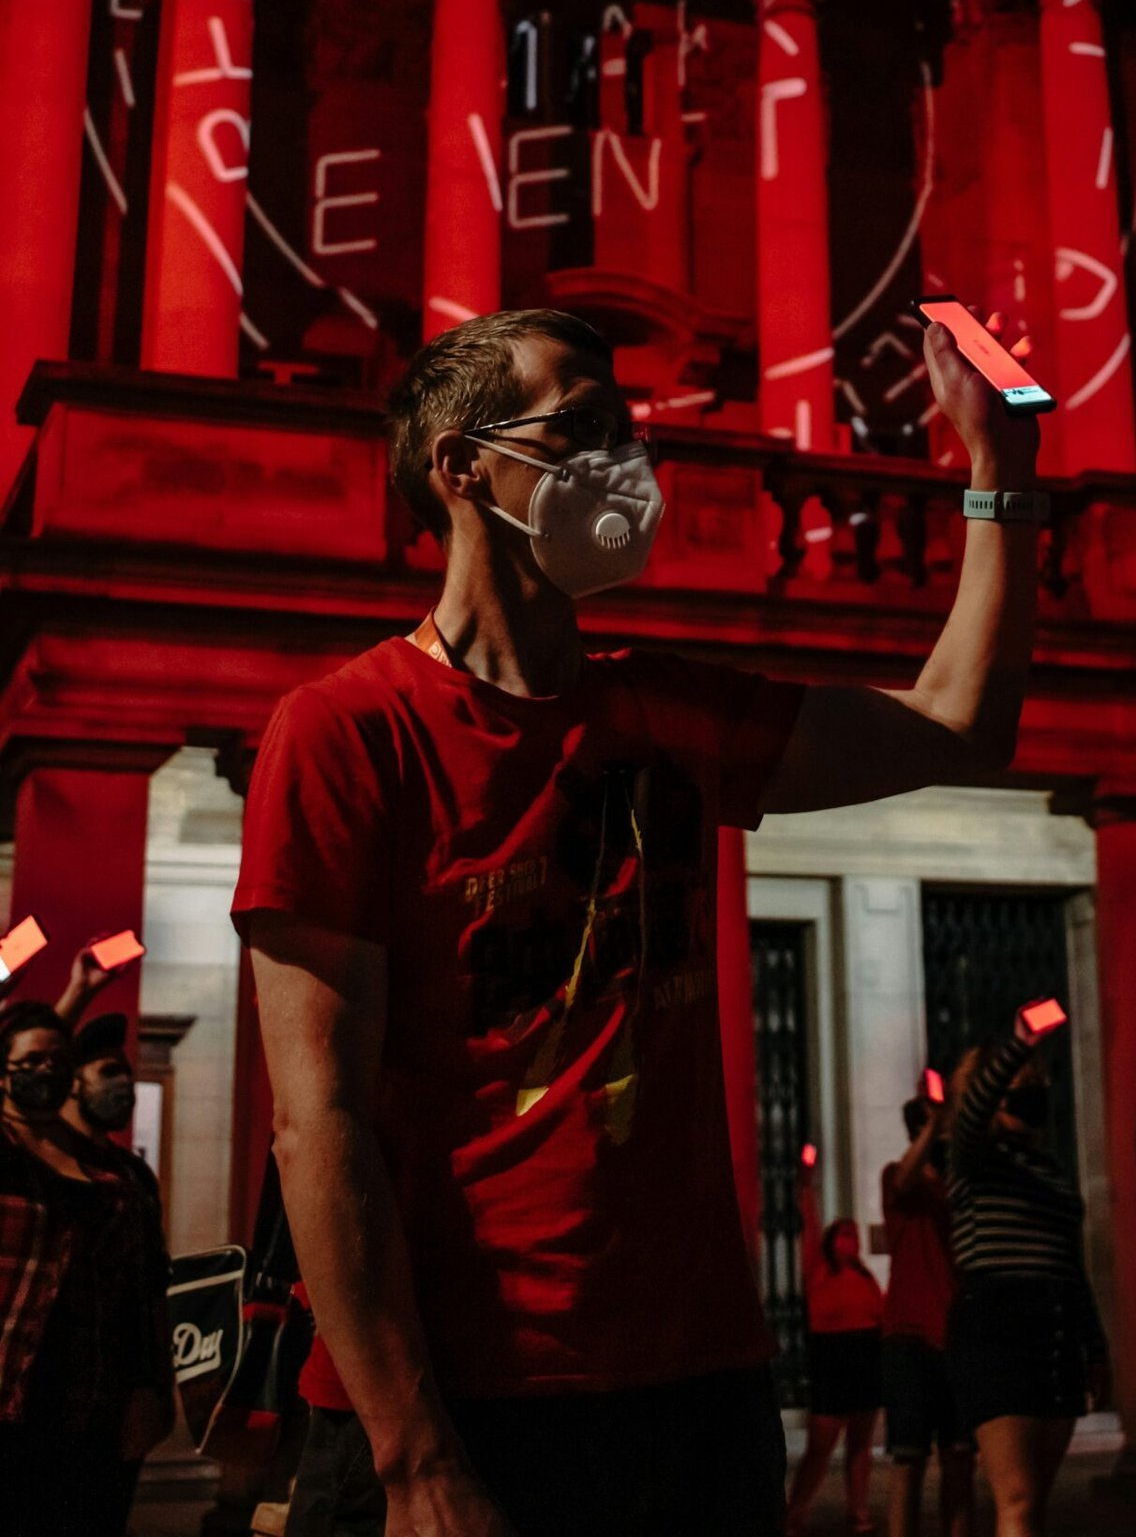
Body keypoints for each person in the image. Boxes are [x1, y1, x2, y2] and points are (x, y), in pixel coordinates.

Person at [234, 304, 1041, 1537]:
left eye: (631, 428)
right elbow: (317, 1124)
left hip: (692, 1394)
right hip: (462, 1401)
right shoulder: (348, 733)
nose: (628, 458)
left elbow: (958, 725)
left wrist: (999, 475)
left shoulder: (667, 710)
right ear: (461, 467)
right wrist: (412, 1462)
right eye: (587, 425)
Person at [0, 999, 172, 1536]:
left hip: (93, 1402)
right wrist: (73, 994)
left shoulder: (116, 1172)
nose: (45, 1071)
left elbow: (144, 1292)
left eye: (57, 1061)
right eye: (30, 1061)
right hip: (7, 1388)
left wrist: (152, 1387)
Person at [945, 1009, 1108, 1537]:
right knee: (1016, 1498)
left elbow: (1069, 1265)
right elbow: (969, 1119)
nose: (1033, 1089)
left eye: (1038, 1081)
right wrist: (1017, 1042)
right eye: (1022, 1081)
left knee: (1033, 1502)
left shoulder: (1050, 1168)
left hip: (1055, 1328)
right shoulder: (973, 1159)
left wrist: (1096, 1348)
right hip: (998, 1325)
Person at [880, 1094, 972, 1537]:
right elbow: (902, 1179)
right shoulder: (900, 1180)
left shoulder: (957, 1185)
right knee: (909, 1460)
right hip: (909, 1336)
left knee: (960, 1461)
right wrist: (933, 1129)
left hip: (957, 1334)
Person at [787, 1147, 884, 1534]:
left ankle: (857, 1511)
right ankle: (794, 1514)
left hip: (864, 1357)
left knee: (861, 1447)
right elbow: (808, 1226)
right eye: (845, 1233)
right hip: (834, 1359)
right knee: (820, 1448)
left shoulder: (864, 1277)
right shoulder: (819, 1272)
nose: (853, 1239)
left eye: (855, 1234)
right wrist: (807, 1184)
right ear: (832, 1241)